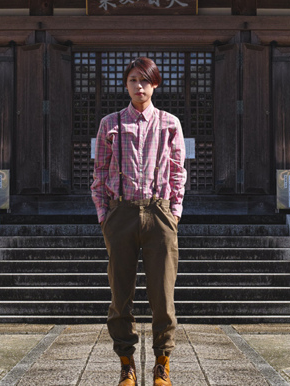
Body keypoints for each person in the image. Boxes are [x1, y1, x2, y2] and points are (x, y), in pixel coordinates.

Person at [91, 56, 186, 386]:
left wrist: (174, 213)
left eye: (145, 80)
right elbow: (100, 172)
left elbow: (177, 172)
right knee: (120, 295)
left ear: (155, 84)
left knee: (162, 294)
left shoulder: (170, 123)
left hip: (159, 213)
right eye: (133, 80)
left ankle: (162, 364)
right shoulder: (111, 123)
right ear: (126, 84)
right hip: (122, 213)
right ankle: (126, 365)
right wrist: (105, 216)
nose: (139, 86)